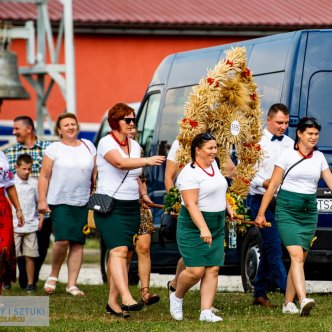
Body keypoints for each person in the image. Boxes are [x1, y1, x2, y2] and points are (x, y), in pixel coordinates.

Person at [255, 117, 332, 316]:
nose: (313, 138)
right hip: (287, 209)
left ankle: (288, 303)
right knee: (296, 256)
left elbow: (330, 181)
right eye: (310, 134)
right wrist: (261, 213)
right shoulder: (286, 155)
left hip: (309, 212)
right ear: (299, 134)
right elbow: (272, 186)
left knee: (300, 259)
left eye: (316, 134)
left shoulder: (320, 157)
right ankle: (303, 298)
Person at [94, 103, 165, 318]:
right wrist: (147, 160)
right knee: (118, 251)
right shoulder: (106, 143)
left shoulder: (135, 145)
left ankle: (112, 303)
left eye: (133, 119)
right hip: (109, 205)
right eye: (128, 120)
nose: (132, 123)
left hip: (131, 206)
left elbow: (137, 176)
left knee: (125, 255)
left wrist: (144, 197)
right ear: (116, 123)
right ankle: (126, 297)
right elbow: (120, 164)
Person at [169, 132, 235, 322]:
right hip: (194, 225)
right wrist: (203, 228)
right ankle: (177, 296)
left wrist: (228, 206)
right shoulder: (189, 173)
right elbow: (191, 205)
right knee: (196, 270)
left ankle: (206, 311)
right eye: (210, 148)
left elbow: (219, 190)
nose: (214, 152)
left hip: (217, 223)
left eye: (215, 148)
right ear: (197, 150)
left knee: (213, 268)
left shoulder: (213, 165)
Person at [38, 113, 96, 296]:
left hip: (83, 201)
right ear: (59, 130)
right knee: (62, 240)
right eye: (66, 125)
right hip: (60, 200)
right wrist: (41, 199)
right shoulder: (54, 148)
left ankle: (72, 284)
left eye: (73, 124)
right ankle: (53, 275)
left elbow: (95, 174)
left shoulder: (88, 146)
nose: (71, 127)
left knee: (78, 243)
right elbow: (44, 176)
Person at [248, 103, 293, 307]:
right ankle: (290, 292)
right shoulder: (255, 143)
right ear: (268, 120)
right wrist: (263, 182)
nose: (283, 127)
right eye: (279, 122)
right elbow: (245, 174)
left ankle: (259, 292)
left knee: (269, 248)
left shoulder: (291, 144)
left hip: (282, 200)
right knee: (274, 246)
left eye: (286, 123)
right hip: (259, 200)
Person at [5, 115, 51, 290]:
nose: (14, 132)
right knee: (17, 248)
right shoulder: (9, 152)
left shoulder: (48, 149)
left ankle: (32, 278)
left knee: (40, 245)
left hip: (42, 207)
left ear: (29, 129)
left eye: (17, 128)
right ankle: (24, 280)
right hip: (18, 210)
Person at [128, 127, 160, 305]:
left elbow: (141, 176)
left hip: (139, 202)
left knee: (144, 247)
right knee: (123, 251)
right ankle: (119, 293)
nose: (131, 127)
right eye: (127, 123)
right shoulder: (108, 146)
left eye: (133, 124)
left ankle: (145, 293)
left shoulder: (138, 149)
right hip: (119, 203)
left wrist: (145, 197)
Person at [12, 154, 43, 293]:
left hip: (31, 225)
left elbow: (40, 203)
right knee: (10, 256)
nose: (26, 172)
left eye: (29, 169)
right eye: (24, 168)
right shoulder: (10, 183)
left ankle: (30, 283)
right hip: (14, 225)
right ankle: (6, 281)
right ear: (16, 167)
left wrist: (41, 218)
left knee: (30, 255)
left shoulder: (34, 183)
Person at [0, 151, 24, 294]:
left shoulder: (1, 155)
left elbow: (9, 185)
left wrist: (19, 209)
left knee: (3, 251)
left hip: (2, 207)